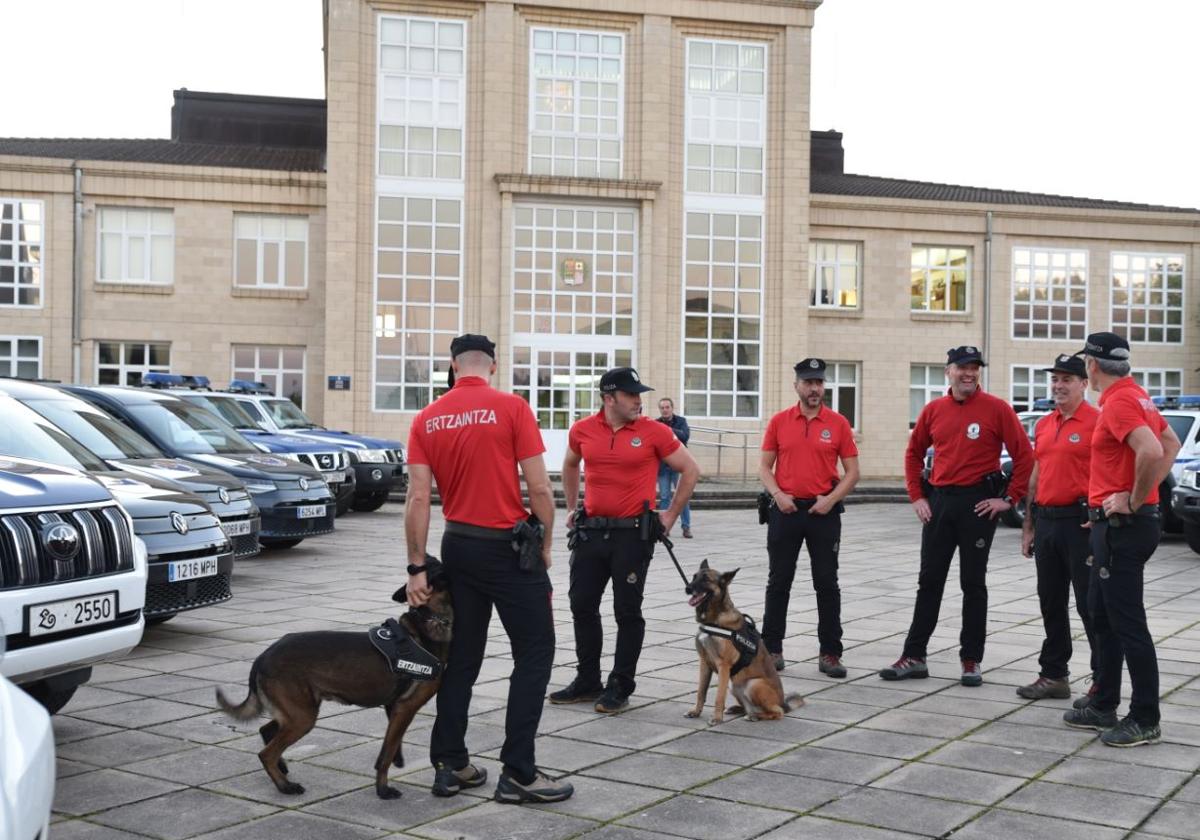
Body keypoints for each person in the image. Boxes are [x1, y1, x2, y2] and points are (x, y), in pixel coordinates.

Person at [404, 333, 573, 805]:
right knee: (535, 654)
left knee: (462, 658)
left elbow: (418, 498)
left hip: (458, 545)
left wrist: (416, 566)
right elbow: (539, 488)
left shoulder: (426, 418)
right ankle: (518, 772)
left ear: (453, 366)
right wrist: (544, 541)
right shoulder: (512, 408)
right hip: (507, 549)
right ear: (493, 367)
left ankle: (450, 764)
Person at [549, 367, 700, 713]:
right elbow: (570, 465)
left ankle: (620, 684)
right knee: (581, 604)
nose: (638, 401)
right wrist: (572, 507)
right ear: (608, 398)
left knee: (626, 611)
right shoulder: (583, 429)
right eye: (631, 395)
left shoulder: (653, 431)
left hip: (632, 536)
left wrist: (670, 515)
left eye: (639, 394)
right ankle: (588, 680)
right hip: (591, 534)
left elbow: (690, 470)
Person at [883, 345, 1033, 686]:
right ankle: (914, 656)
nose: (969, 373)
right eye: (962, 367)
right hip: (940, 503)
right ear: (948, 371)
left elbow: (1025, 456)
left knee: (973, 584)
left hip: (978, 505)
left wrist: (1008, 499)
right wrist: (917, 496)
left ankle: (970, 660)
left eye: (974, 368)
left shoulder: (997, 409)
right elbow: (913, 454)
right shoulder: (934, 410)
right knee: (929, 582)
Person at [1062, 332, 1180, 746]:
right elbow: (1171, 443)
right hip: (1109, 525)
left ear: (1091, 366)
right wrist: (1136, 496)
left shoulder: (1119, 402)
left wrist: (1133, 499)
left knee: (1127, 622)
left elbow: (1150, 451)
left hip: (1123, 528)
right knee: (1100, 612)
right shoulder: (1138, 396)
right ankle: (1103, 702)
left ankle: (1145, 716)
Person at [759, 358, 860, 677]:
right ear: (797, 386)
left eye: (819, 382)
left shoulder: (838, 423)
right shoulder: (779, 421)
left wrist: (830, 500)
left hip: (823, 514)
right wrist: (778, 494)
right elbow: (764, 467)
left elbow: (853, 473)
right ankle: (771, 650)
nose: (814, 388)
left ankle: (830, 653)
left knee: (827, 584)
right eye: (808, 382)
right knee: (779, 582)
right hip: (785, 511)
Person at [1017, 354, 1100, 702]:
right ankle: (1054, 675)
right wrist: (1029, 523)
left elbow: (1111, 470)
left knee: (1090, 605)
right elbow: (1038, 474)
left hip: (1080, 523)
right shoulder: (1045, 424)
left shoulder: (1098, 422)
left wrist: (1100, 515)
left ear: (1084, 383)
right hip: (1048, 522)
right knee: (1051, 601)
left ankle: (1102, 680)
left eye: (1067, 379)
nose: (1059, 385)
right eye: (1055, 379)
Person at [657, 397, 693, 538]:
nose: (665, 410)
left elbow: (685, 436)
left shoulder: (681, 421)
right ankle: (664, 527)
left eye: (667, 407)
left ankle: (686, 527)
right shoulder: (656, 423)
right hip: (663, 467)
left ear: (672, 408)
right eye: (662, 408)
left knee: (683, 498)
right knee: (665, 497)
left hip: (680, 466)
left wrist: (668, 430)